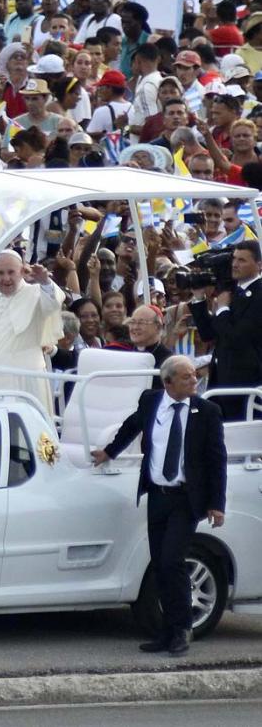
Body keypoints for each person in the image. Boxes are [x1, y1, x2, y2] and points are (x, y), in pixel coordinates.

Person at [92, 356, 226, 656]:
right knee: (159, 564)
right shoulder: (151, 401)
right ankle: (166, 631)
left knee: (172, 561)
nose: (194, 381)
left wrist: (217, 504)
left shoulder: (206, 412)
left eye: (194, 375)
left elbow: (216, 459)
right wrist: (109, 452)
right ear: (168, 382)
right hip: (157, 495)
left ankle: (182, 628)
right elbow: (131, 426)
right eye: (186, 377)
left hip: (185, 499)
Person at [0, 250, 64, 414]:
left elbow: (53, 303)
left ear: (22, 271)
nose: (6, 278)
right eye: (1, 273)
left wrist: (45, 281)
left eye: (11, 272)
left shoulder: (36, 292)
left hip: (23, 382)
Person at [188, 241, 262, 420]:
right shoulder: (232, 292)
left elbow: (236, 338)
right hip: (220, 382)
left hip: (246, 386)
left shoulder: (258, 295)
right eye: (234, 259)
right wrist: (199, 298)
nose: (235, 264)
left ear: (259, 265)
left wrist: (222, 309)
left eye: (242, 260)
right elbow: (209, 334)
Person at [128, 305, 173, 388]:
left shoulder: (168, 361)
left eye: (141, 323)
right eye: (132, 322)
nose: (135, 327)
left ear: (158, 327)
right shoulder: (125, 355)